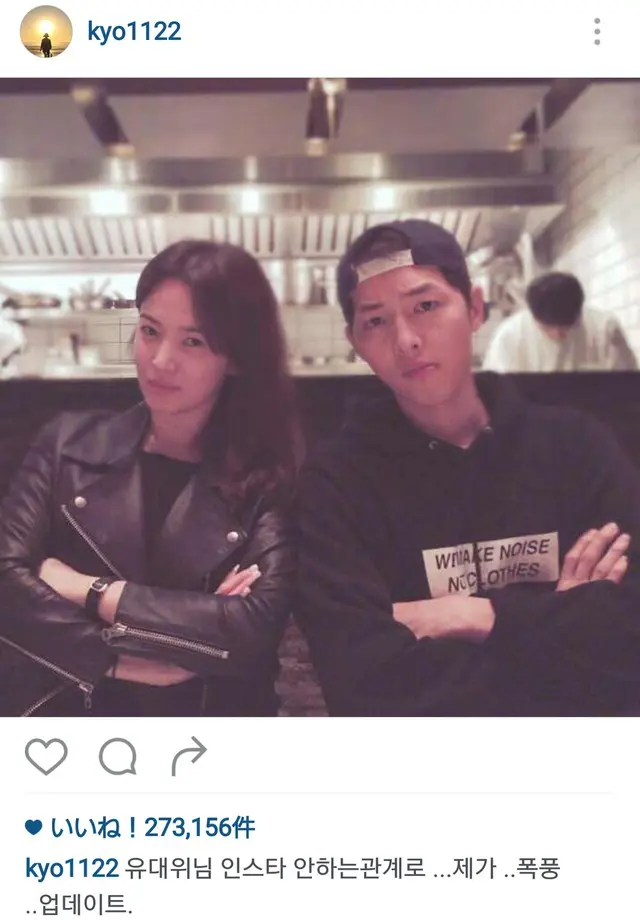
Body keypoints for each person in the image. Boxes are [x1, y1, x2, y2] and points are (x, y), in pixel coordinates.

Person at [295, 219, 640, 717]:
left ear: (475, 308)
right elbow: (366, 687)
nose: (407, 339)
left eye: (426, 306)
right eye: (376, 321)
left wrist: (478, 616)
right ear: (355, 342)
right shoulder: (335, 487)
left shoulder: (576, 448)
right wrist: (565, 627)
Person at [0, 239, 299, 717]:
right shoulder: (67, 445)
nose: (160, 360)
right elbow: (5, 584)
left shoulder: (266, 479)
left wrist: (87, 589)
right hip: (66, 721)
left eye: (192, 341)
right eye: (150, 331)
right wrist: (116, 659)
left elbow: (250, 629)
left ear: (238, 357)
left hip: (208, 731)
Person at [483, 271, 638, 372]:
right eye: (547, 327)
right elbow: (497, 395)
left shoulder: (604, 328)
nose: (557, 334)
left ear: (580, 311)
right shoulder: (510, 336)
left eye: (568, 326)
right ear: (532, 316)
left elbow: (628, 387)